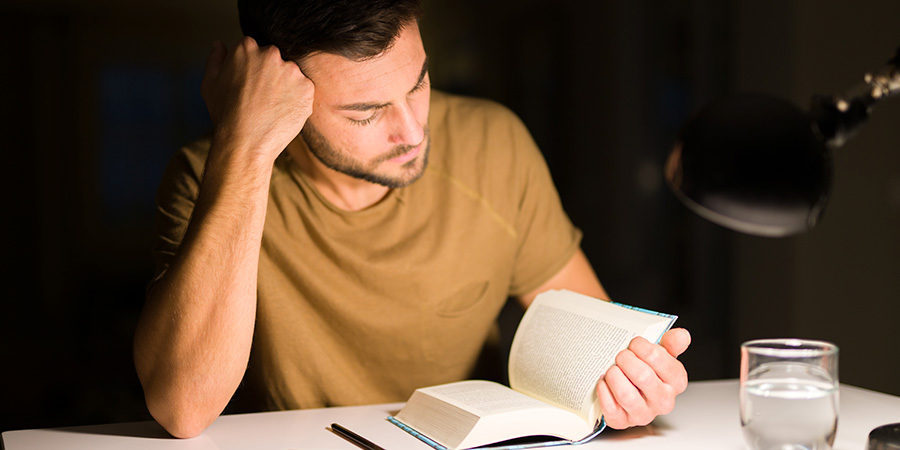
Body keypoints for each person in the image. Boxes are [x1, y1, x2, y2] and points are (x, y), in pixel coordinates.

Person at [133, 0, 691, 439]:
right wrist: (245, 147)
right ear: (278, 94)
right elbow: (183, 409)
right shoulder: (209, 175)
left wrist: (633, 385)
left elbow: (599, 339)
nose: (413, 132)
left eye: (419, 82)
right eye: (366, 111)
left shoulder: (492, 143)